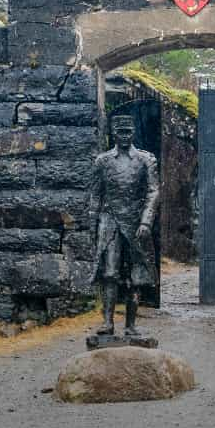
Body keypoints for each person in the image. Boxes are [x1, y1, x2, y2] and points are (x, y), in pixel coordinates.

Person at [89, 115, 159, 336]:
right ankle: (108, 322)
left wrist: (146, 221)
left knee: (136, 274)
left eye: (128, 131)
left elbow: (153, 191)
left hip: (136, 222)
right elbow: (95, 194)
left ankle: (130, 325)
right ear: (113, 133)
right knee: (109, 272)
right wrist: (94, 222)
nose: (125, 135)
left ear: (134, 132)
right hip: (110, 221)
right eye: (121, 131)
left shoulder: (146, 160)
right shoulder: (102, 161)